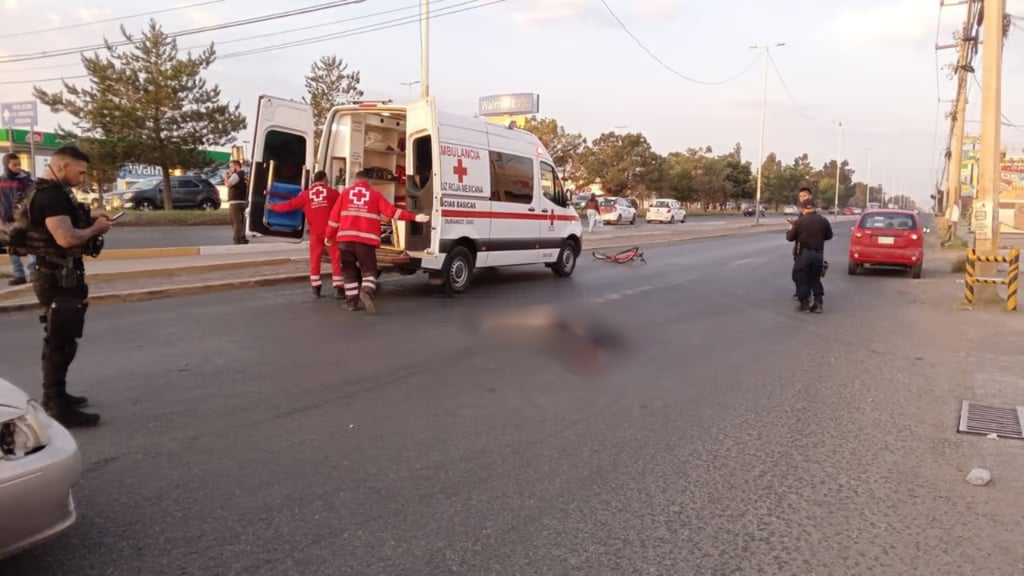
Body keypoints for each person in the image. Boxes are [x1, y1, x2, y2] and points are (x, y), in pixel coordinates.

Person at [24, 146, 113, 427]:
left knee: (61, 338)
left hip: (56, 273)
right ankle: (55, 403)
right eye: (81, 171)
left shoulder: (49, 191)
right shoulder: (52, 196)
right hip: (57, 276)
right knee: (60, 341)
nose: (83, 177)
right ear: (63, 167)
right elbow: (65, 238)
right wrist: (94, 231)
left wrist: (89, 218)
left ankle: (57, 394)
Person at [326, 170, 430, 313]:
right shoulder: (375, 195)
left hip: (345, 241)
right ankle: (367, 292)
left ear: (356, 181)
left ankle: (351, 303)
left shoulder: (345, 193)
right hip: (365, 242)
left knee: (348, 271)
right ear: (369, 182)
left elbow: (333, 218)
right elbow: (392, 212)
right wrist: (414, 218)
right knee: (369, 270)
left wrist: (328, 236)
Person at [267, 170, 343, 298]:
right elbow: (343, 207)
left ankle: (316, 287)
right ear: (324, 179)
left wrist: (273, 207)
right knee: (336, 259)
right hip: (331, 232)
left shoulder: (305, 195)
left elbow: (290, 205)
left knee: (315, 259)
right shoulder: (333, 193)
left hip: (315, 232)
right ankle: (339, 288)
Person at [786, 197, 833, 313]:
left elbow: (790, 238)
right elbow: (829, 236)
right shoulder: (823, 220)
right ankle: (818, 302)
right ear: (814, 208)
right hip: (818, 254)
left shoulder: (799, 222)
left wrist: (791, 227)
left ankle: (804, 302)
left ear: (803, 209)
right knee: (815, 278)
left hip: (803, 254)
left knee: (800, 277)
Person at [0, 153, 36, 285]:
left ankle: (33, 273)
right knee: (12, 247)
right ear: (7, 165)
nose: (18, 167)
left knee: (31, 245)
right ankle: (19, 274)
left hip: (25, 218)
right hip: (7, 220)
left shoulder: (26, 181)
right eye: (14, 165)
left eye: (19, 164)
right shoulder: (1, 181)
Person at [224, 160, 248, 245]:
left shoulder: (236, 175)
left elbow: (228, 184)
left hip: (235, 202)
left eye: (231, 166)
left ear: (236, 166)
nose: (230, 169)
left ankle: (237, 239)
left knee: (236, 222)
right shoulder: (244, 175)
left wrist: (225, 177)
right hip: (243, 201)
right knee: (242, 221)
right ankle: (243, 237)